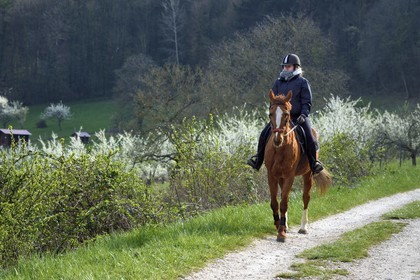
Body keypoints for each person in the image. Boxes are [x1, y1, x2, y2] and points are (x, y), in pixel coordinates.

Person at [247, 53, 324, 174]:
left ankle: (314, 164)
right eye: (284, 66)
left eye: (288, 66)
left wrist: (304, 114)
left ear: (295, 67)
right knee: (263, 134)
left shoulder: (303, 82)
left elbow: (307, 102)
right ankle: (258, 160)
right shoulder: (278, 82)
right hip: (280, 119)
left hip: (299, 117)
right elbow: (273, 101)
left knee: (310, 136)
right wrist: (273, 114)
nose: (285, 69)